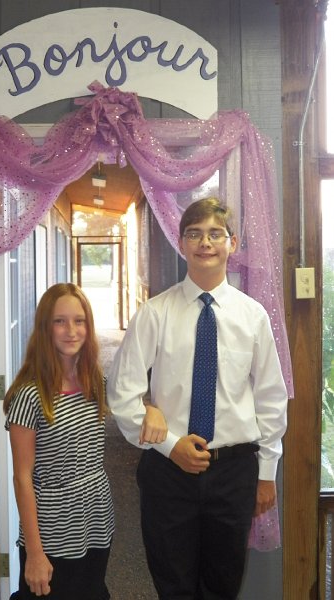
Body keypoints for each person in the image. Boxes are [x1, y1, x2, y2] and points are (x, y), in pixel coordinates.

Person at [107, 197, 288, 600]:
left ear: (232, 243)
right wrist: (171, 447)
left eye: (215, 234)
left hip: (233, 472)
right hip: (167, 472)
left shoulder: (253, 316)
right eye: (194, 234)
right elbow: (122, 392)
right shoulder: (154, 313)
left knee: (223, 585)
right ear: (181, 242)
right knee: (173, 585)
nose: (205, 243)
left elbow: (271, 399)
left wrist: (266, 473)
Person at [3, 282, 164, 600]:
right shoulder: (29, 395)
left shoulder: (96, 383)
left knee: (92, 592)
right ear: (45, 328)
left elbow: (131, 407)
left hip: (96, 517)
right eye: (60, 321)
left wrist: (153, 410)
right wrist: (34, 552)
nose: (71, 330)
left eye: (79, 321)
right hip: (52, 530)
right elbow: (22, 478)